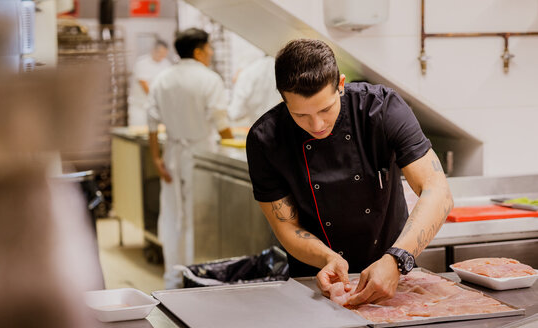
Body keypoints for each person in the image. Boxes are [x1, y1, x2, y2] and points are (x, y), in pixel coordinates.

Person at [246, 39, 453, 305]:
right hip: (317, 285)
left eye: (325, 109)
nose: (317, 124)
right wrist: (328, 259)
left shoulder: (382, 109)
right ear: (283, 100)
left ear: (341, 85)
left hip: (395, 272)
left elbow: (438, 191)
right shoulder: (265, 140)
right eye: (301, 115)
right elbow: (286, 225)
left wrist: (397, 260)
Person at [148, 28, 233, 289]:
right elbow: (221, 124)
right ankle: (196, 278)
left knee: (173, 217)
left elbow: (151, 121)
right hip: (201, 156)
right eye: (209, 49)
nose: (211, 54)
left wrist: (156, 158)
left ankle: (172, 280)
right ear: (198, 51)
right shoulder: (209, 79)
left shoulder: (162, 78)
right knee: (199, 218)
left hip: (172, 154)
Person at [228, 55, 281, 126]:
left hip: (257, 128)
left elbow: (235, 113)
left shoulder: (248, 72)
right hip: (284, 129)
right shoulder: (288, 70)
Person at [128, 39, 171, 126]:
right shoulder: (142, 63)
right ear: (153, 51)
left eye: (164, 53)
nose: (162, 56)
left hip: (156, 107)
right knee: (138, 132)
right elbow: (144, 85)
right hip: (140, 106)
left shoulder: (166, 64)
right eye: (160, 53)